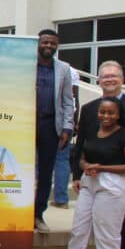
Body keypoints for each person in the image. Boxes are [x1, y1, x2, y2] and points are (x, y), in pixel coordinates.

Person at [52, 97, 125, 249]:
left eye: (111, 112)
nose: (106, 116)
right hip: (89, 183)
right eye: (103, 112)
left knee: (107, 236)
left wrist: (101, 168)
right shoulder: (94, 132)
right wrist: (85, 166)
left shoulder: (124, 136)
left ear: (119, 114)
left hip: (113, 187)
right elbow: (83, 156)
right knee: (79, 230)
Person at [72, 61, 125, 249]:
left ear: (122, 79)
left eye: (114, 76)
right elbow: (81, 142)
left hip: (122, 178)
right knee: (91, 229)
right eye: (105, 77)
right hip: (94, 179)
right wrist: (77, 173)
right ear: (99, 81)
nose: (110, 80)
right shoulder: (89, 108)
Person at [34, 29, 75, 234]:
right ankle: (19, 212)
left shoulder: (64, 69)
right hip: (26, 125)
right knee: (22, 171)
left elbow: (68, 101)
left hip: (51, 126)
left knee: (45, 173)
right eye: (45, 42)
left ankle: (37, 215)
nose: (49, 46)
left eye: (53, 44)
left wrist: (67, 128)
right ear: (38, 43)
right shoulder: (27, 64)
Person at [52, 66, 80, 209]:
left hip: (58, 124)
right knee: (62, 159)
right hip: (65, 123)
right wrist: (73, 123)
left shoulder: (68, 70)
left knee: (57, 159)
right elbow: (75, 99)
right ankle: (61, 200)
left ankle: (37, 198)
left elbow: (74, 99)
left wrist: (71, 125)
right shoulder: (71, 70)